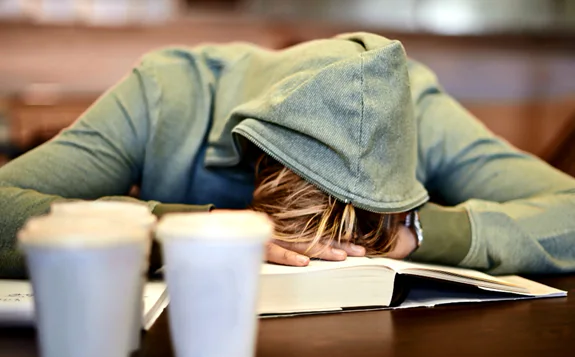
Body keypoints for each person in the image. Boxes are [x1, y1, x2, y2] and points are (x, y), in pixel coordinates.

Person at [0, 32, 574, 279]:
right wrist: (178, 229)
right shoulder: (162, 93)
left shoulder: (418, 109)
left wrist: (418, 232)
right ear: (255, 153)